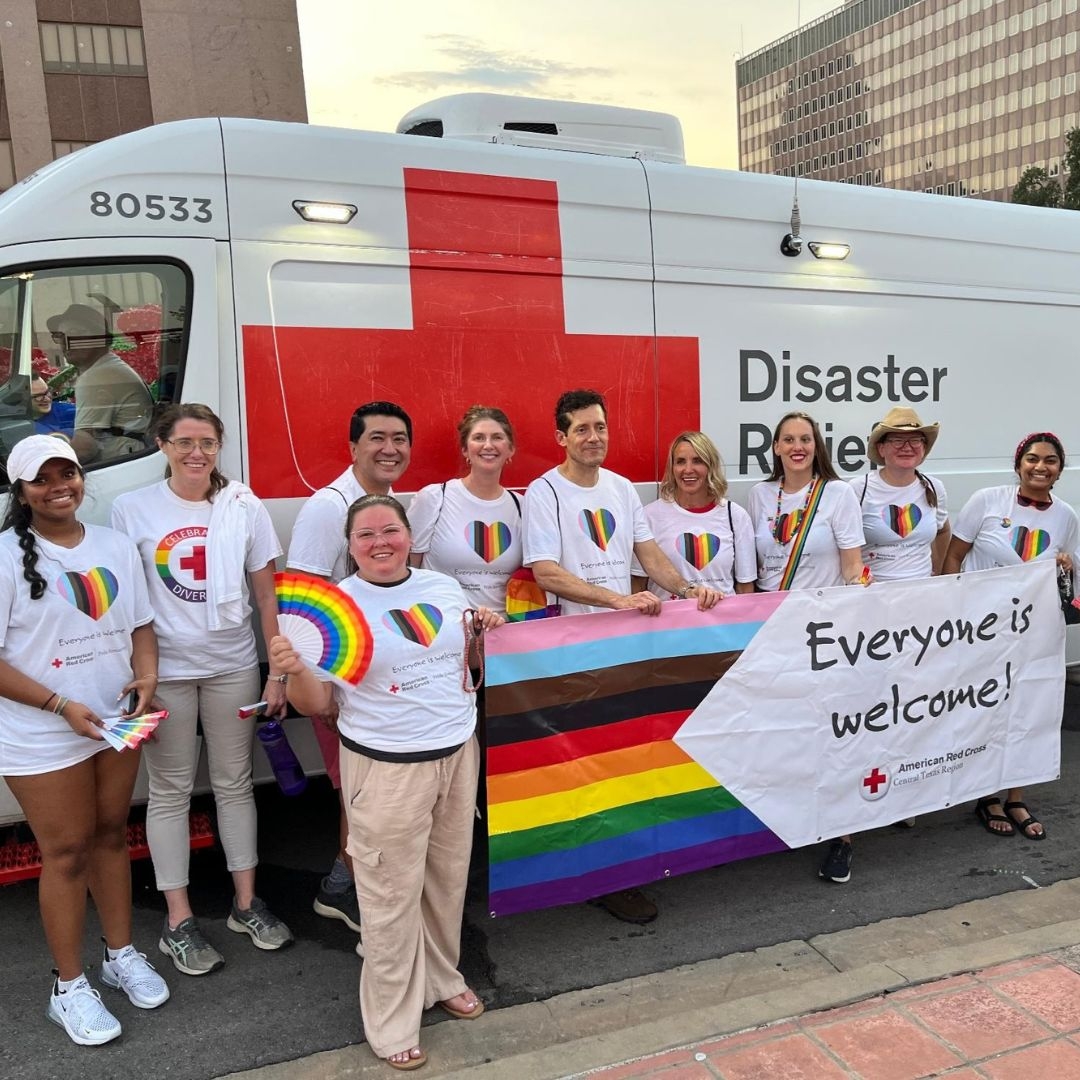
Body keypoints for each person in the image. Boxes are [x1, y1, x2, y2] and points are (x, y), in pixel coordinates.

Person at [271, 494, 500, 1072]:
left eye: (390, 530)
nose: (380, 542)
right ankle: (392, 1016)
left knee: (446, 882)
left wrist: (482, 635)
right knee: (388, 897)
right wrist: (295, 670)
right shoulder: (337, 609)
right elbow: (320, 703)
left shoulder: (442, 589)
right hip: (387, 765)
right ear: (349, 545)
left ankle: (444, 977)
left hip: (456, 753)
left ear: (407, 534)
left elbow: (463, 664)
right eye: (366, 534)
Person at [522, 389, 720, 925]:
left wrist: (683, 588)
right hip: (572, 652)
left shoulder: (621, 489)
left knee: (623, 757)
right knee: (582, 764)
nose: (594, 438)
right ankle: (596, 875)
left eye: (601, 427)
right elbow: (545, 571)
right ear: (561, 437)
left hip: (626, 649)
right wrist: (615, 599)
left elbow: (646, 551)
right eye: (582, 429)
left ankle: (618, 866)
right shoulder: (544, 492)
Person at [111, 404, 292, 976]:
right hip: (163, 672)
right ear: (161, 444)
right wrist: (139, 673)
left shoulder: (243, 504)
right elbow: (127, 602)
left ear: (220, 447)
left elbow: (267, 596)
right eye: (185, 441)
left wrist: (277, 670)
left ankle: (245, 904)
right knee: (169, 792)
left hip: (232, 664)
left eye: (208, 443)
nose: (197, 453)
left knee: (234, 783)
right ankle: (178, 920)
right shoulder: (130, 508)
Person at [0, 434, 168, 1045]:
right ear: (22, 492)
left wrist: (145, 676)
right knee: (66, 853)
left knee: (108, 836)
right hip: (44, 732)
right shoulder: (3, 559)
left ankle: (119, 955)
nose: (58, 486)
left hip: (113, 724)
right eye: (42, 479)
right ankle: (67, 986)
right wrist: (58, 704)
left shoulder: (116, 547)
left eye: (66, 473)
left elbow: (142, 626)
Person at [286, 401, 412, 938]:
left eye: (400, 439)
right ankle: (348, 891)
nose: (391, 448)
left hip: (378, 679)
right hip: (340, 680)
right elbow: (302, 603)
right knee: (360, 791)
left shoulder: (385, 503)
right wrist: (315, 688)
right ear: (353, 447)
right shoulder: (328, 508)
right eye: (378, 438)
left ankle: (345, 884)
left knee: (366, 789)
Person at [747, 411, 866, 884]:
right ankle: (793, 819)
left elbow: (854, 568)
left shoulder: (837, 495)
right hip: (775, 633)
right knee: (788, 731)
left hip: (825, 633)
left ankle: (844, 835)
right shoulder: (759, 495)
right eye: (788, 439)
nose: (798, 447)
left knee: (834, 733)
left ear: (817, 447)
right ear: (775, 447)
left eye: (806, 439)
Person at [943, 431, 1079, 842]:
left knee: (1028, 710)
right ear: (1018, 463)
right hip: (980, 629)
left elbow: (1072, 578)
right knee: (984, 707)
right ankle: (986, 795)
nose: (1040, 466)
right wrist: (946, 613)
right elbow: (953, 556)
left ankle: (1016, 795)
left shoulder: (1066, 516)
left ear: (1059, 468)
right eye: (1032, 458)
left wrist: (1063, 567)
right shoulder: (987, 500)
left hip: (1034, 632)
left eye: (1050, 460)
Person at [408, 405, 521, 614]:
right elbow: (409, 571)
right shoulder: (434, 498)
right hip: (447, 629)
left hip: (506, 633)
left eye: (497, 437)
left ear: (510, 449)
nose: (488, 445)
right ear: (465, 449)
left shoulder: (522, 506)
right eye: (478, 438)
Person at [633, 430, 756, 598]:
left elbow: (745, 588)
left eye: (697, 461)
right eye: (680, 462)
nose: (688, 469)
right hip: (669, 622)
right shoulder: (649, 516)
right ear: (672, 468)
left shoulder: (736, 516)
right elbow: (638, 585)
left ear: (710, 465)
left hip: (721, 622)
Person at [45, 303, 152, 464]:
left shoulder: (97, 377)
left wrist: (42, 467)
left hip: (120, 465)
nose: (66, 343)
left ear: (101, 338)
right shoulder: (108, 367)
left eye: (75, 333)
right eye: (60, 336)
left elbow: (85, 448)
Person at [855, 407, 950, 580]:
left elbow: (943, 531)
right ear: (881, 448)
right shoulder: (859, 488)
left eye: (915, 440)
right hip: (871, 595)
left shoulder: (935, 487)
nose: (907, 448)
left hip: (922, 594)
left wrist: (937, 573)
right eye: (897, 440)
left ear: (924, 448)